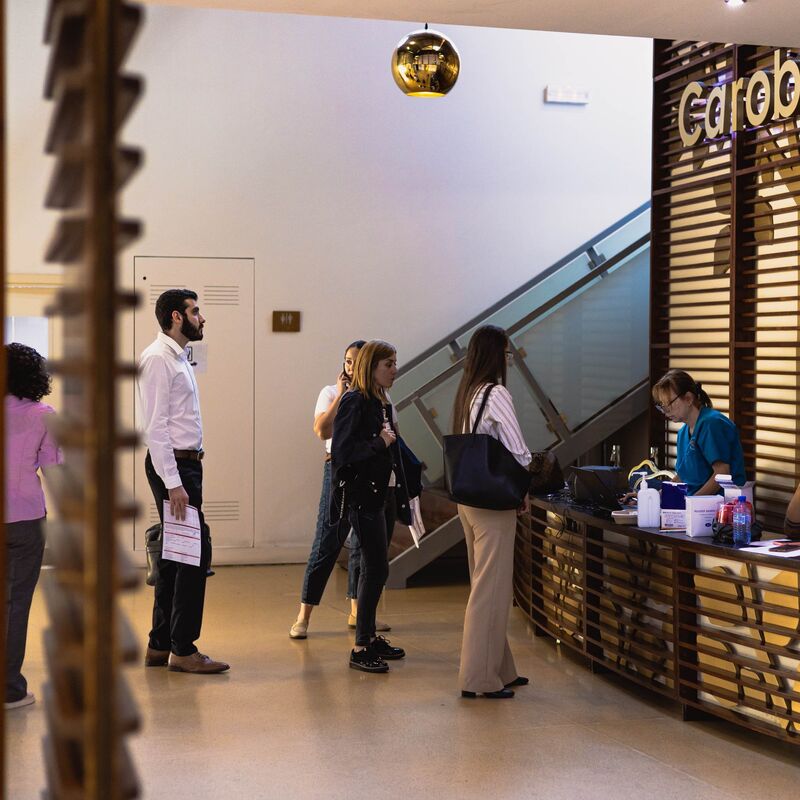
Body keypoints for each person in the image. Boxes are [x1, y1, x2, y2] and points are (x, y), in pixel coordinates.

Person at [137, 288, 229, 674]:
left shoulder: (176, 357)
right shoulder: (159, 359)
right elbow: (154, 428)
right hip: (174, 467)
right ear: (177, 316)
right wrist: (174, 483)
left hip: (183, 466)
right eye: (195, 311)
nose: (201, 318)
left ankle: (160, 645)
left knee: (177, 556)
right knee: (194, 554)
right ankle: (184, 650)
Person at [290, 341, 393, 639]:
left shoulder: (379, 396)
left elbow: (391, 433)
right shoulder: (334, 393)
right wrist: (342, 394)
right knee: (328, 539)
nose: (351, 366)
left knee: (365, 549)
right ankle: (304, 614)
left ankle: (358, 613)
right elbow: (323, 431)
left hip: (371, 474)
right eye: (348, 361)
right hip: (339, 470)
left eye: (357, 361)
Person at [451, 325, 531, 700]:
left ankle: (501, 668)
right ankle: (479, 679)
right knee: (491, 589)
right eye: (507, 353)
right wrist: (526, 482)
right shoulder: (496, 392)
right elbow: (517, 449)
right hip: (493, 504)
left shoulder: (468, 392)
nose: (509, 360)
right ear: (496, 355)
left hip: (469, 500)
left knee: (486, 584)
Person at [331, 340, 415, 673]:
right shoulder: (355, 401)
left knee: (378, 567)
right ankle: (361, 645)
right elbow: (342, 452)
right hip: (364, 494)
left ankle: (369, 635)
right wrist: (380, 442)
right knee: (374, 566)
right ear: (372, 367)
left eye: (395, 363)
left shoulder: (381, 401)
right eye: (388, 364)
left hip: (385, 491)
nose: (395, 370)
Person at [4, 343, 62, 710]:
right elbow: (55, 473)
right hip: (24, 519)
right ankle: (9, 689)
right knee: (15, 603)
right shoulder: (43, 416)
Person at [652, 369, 746, 496]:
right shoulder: (683, 433)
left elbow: (722, 473)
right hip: (696, 506)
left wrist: (691, 503)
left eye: (669, 404)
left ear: (689, 399)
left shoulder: (712, 424)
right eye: (662, 406)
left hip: (723, 506)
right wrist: (652, 497)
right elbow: (682, 477)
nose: (665, 411)